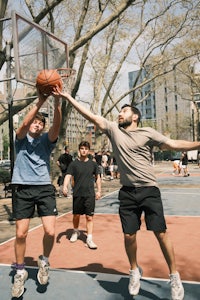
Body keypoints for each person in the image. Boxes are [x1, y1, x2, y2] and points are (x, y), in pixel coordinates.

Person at [54, 87, 200, 300]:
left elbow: (174, 143)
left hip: (149, 190)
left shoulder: (147, 132)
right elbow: (91, 115)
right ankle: (134, 270)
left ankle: (174, 275)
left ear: (135, 116)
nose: (119, 114)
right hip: (127, 193)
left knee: (160, 234)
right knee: (129, 235)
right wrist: (68, 97)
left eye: (124, 111)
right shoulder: (114, 130)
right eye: (119, 112)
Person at [11, 89, 62, 298]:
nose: (37, 124)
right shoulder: (20, 140)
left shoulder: (45, 142)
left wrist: (57, 103)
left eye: (41, 123)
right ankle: (20, 271)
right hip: (22, 188)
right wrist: (39, 103)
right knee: (21, 233)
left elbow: (56, 126)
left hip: (43, 188)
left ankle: (44, 261)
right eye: (35, 122)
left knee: (50, 232)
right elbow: (23, 125)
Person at [63, 141, 101, 249]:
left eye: (86, 148)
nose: (84, 150)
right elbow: (68, 175)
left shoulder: (93, 164)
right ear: (79, 150)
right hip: (78, 194)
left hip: (90, 194)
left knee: (89, 217)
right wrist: (65, 186)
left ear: (88, 150)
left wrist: (99, 191)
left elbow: (98, 178)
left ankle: (89, 238)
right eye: (82, 148)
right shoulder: (74, 164)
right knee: (76, 216)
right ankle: (76, 232)